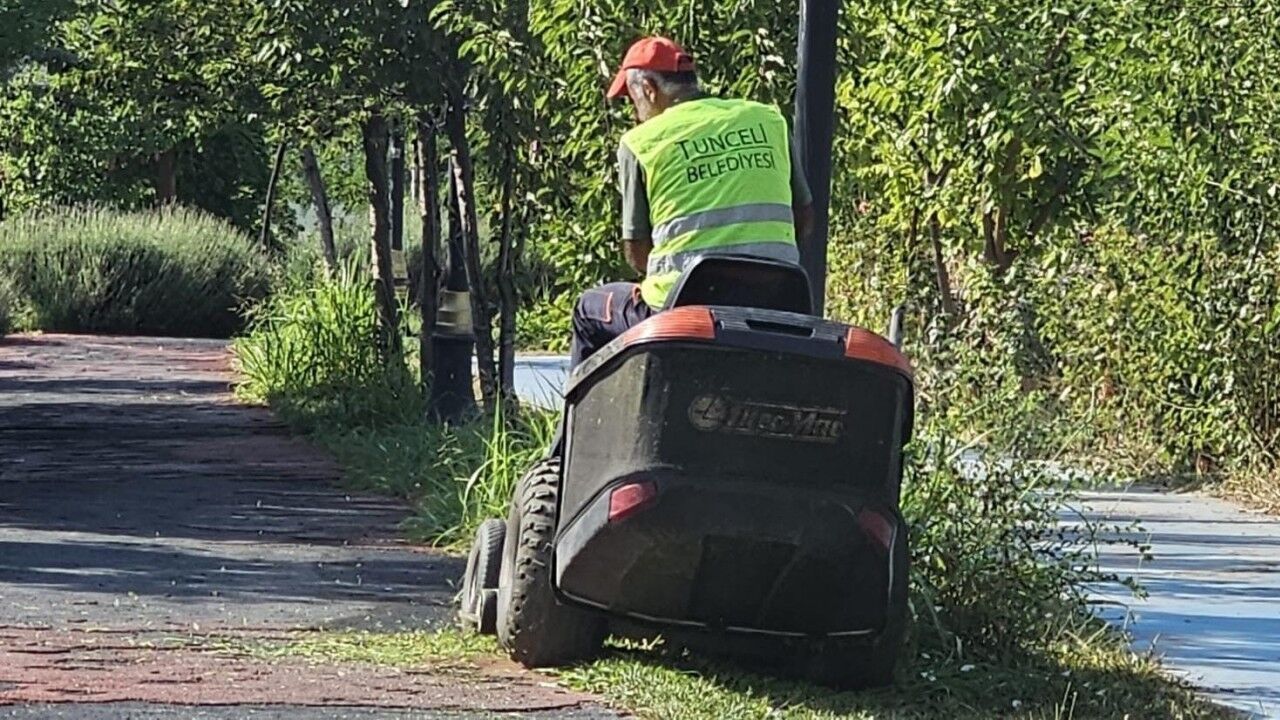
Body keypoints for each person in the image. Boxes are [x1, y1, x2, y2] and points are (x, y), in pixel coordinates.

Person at [568, 36, 814, 369]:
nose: (635, 114)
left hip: (681, 309)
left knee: (589, 309)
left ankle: (598, 406)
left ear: (649, 90)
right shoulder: (768, 120)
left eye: (632, 101)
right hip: (779, 298)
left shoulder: (641, 143)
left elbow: (638, 255)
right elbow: (804, 219)